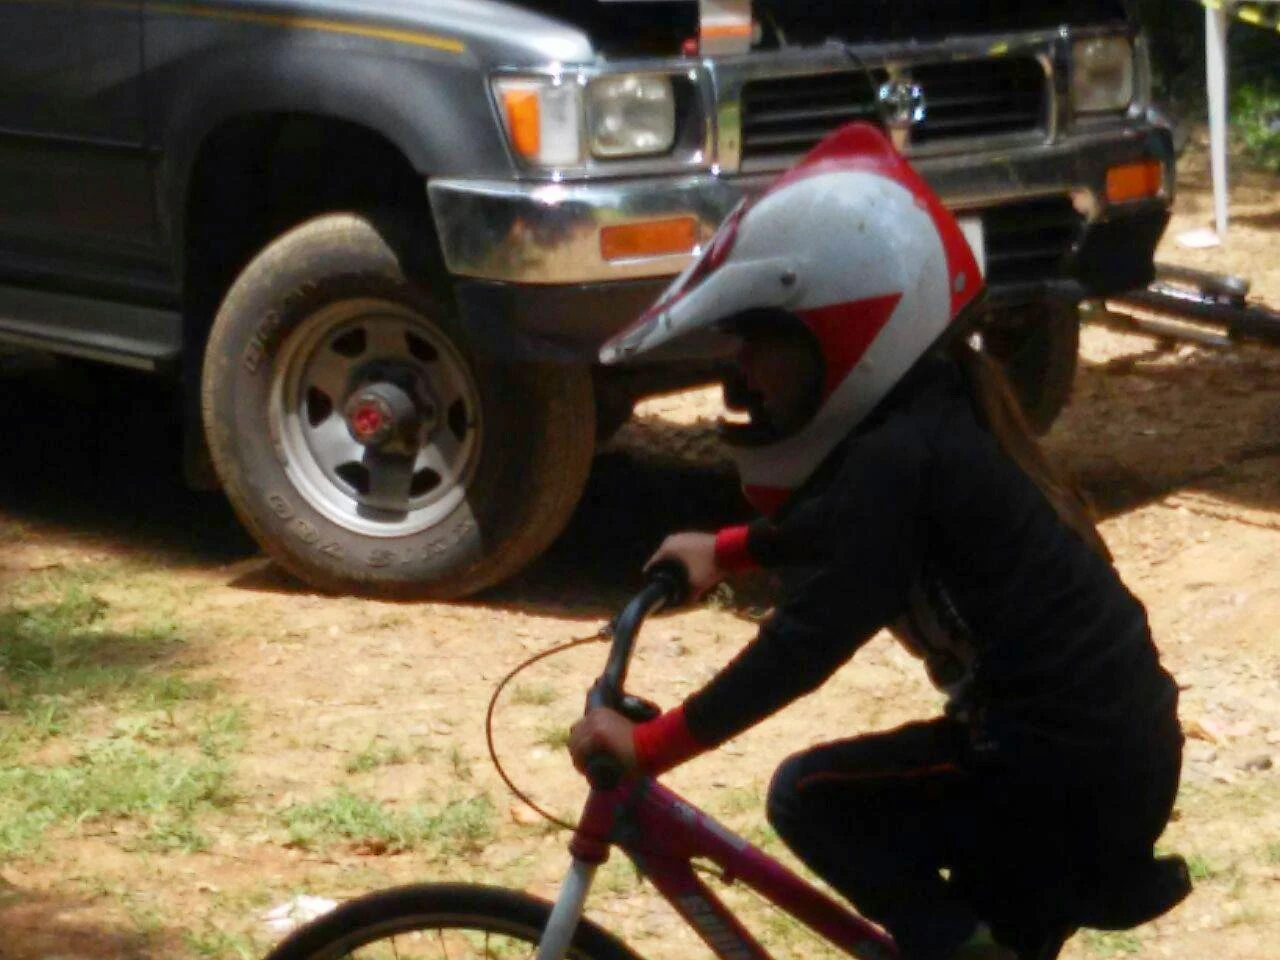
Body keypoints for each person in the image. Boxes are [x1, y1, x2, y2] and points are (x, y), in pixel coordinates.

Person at [567, 123, 1184, 960]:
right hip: (1103, 755)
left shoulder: (901, 454)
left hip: (1057, 770)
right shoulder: (927, 417)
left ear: (844, 331)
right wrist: (732, 549)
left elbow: (810, 637)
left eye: (760, 340)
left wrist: (651, 746)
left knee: (812, 797)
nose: (743, 372)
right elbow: (848, 525)